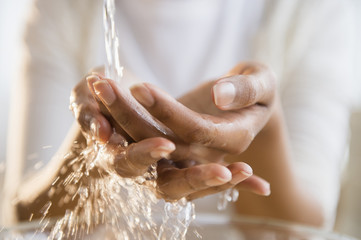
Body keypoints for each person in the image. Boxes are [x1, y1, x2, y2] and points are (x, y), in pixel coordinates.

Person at [2, 0, 356, 232]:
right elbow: (24, 220)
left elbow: (308, 230)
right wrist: (93, 143)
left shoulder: (315, 10)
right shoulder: (63, 8)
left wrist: (263, 131)